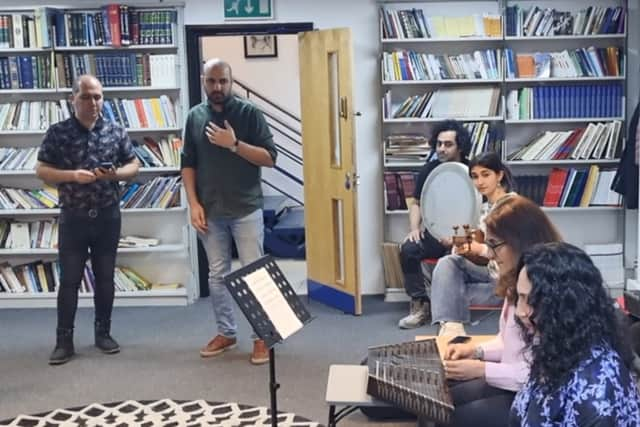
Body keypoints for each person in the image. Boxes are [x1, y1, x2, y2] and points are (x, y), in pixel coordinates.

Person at [36, 74, 140, 365]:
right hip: (74, 217)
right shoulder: (58, 132)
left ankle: (103, 333)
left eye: (97, 97)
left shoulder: (115, 130)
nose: (93, 103)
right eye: (86, 97)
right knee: (69, 281)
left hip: (108, 216)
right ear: (73, 99)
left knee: (105, 278)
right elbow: (41, 170)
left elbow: (134, 164)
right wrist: (72, 176)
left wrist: (116, 174)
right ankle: (63, 340)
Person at [181, 58, 277, 365]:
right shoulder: (195, 117)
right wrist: (194, 203)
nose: (217, 87)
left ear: (231, 81)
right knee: (218, 276)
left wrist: (234, 144)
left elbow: (269, 158)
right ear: (203, 80)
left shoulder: (250, 113)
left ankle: (262, 336)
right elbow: (188, 164)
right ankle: (227, 332)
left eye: (223, 81)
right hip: (210, 210)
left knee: (255, 274)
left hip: (246, 208)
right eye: (211, 81)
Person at [436, 195, 562, 427]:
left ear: (519, 240)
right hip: (516, 380)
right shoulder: (519, 277)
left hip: (542, 394)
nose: (490, 254)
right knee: (442, 402)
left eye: (495, 245)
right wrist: (476, 352)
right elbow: (509, 342)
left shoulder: (550, 288)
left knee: (453, 416)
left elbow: (540, 373)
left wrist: (482, 369)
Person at [510, 242, 640, 426]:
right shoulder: (560, 348)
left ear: (564, 306)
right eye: (519, 298)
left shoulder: (596, 393)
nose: (519, 311)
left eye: (529, 300)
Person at [430, 151, 516, 336]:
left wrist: (480, 248)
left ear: (499, 175)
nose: (480, 182)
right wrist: (463, 247)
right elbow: (482, 255)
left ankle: (451, 328)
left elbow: (511, 252)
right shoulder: (484, 209)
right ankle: (451, 329)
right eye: (475, 177)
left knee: (450, 291)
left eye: (486, 175)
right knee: (448, 263)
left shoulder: (513, 206)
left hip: (509, 278)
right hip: (491, 272)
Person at [398, 120, 472, 329]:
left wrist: (463, 238)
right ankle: (421, 305)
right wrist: (414, 229)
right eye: (438, 144)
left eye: (448, 144)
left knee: (458, 260)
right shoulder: (429, 170)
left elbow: (481, 208)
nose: (441, 149)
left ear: (460, 146)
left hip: (464, 236)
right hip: (434, 233)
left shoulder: (472, 170)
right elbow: (417, 203)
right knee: (409, 249)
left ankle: (451, 313)